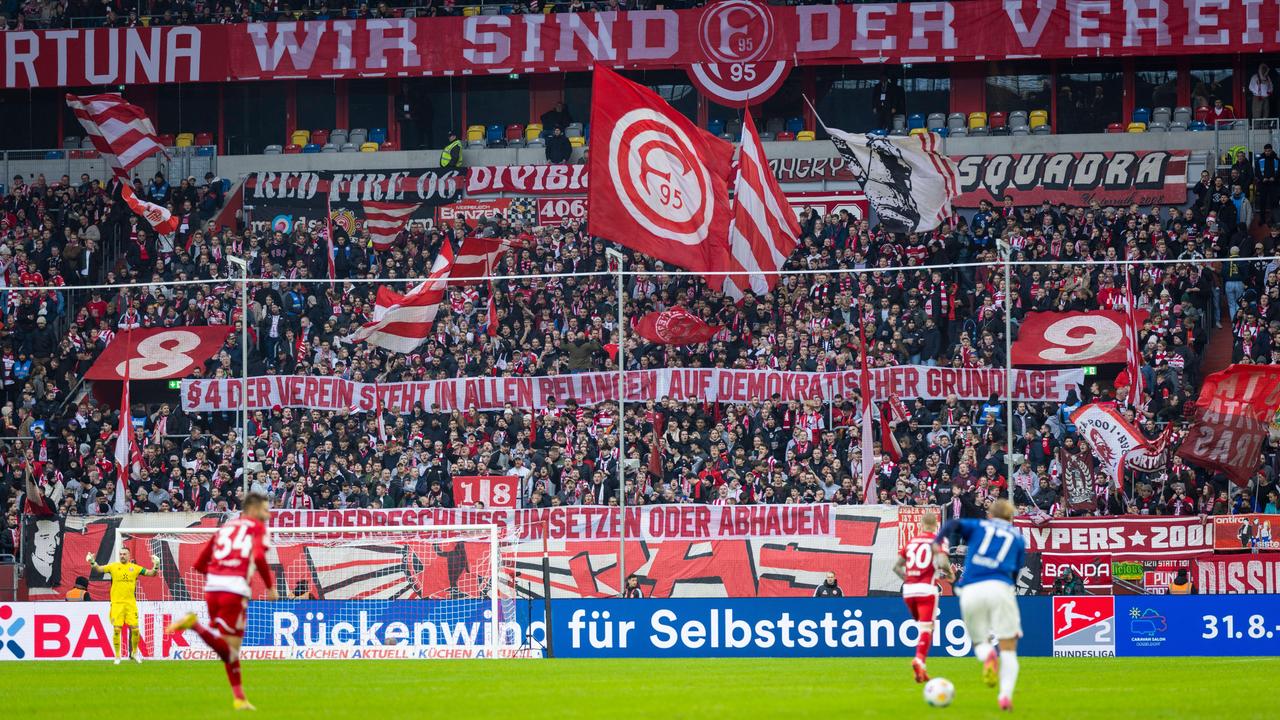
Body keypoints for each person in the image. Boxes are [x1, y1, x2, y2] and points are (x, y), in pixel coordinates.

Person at [167, 492, 278, 711]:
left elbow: (199, 564)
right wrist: (270, 587)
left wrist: (220, 573)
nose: (268, 514)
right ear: (253, 510)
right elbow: (258, 557)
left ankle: (239, 697)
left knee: (229, 650)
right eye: (265, 509)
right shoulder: (257, 529)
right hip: (234, 590)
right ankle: (195, 625)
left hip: (212, 588)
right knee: (230, 649)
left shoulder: (225, 528)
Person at [934, 498, 1026, 712]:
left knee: (979, 643)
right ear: (1010, 518)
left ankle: (987, 655)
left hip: (971, 589)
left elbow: (951, 525)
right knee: (1009, 649)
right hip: (1001, 588)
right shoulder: (1018, 538)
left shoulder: (979, 525)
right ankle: (1004, 696)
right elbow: (1016, 570)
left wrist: (938, 542)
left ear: (990, 515)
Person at [893, 511, 951, 683]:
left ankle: (922, 668)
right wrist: (949, 573)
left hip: (909, 591)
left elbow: (896, 568)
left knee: (923, 628)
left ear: (920, 525)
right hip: (927, 590)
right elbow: (941, 562)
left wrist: (910, 580)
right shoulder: (938, 540)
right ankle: (919, 660)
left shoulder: (911, 542)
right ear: (936, 526)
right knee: (927, 629)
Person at [86, 547, 161, 664]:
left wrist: (156, 565)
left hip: (130, 604)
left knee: (135, 629)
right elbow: (99, 569)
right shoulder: (113, 566)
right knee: (117, 629)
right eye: (120, 554)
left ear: (129, 555)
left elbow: (151, 574)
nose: (122, 556)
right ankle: (117, 657)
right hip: (117, 604)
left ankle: (134, 653)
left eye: (124, 554)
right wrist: (92, 561)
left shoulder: (135, 568)